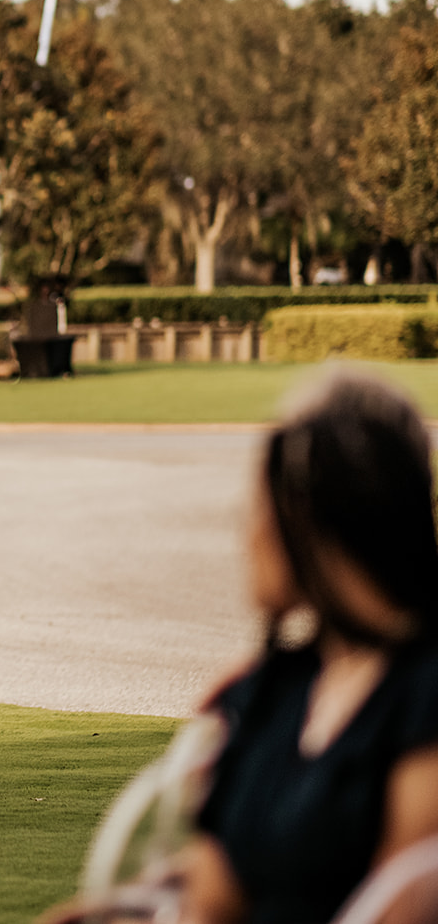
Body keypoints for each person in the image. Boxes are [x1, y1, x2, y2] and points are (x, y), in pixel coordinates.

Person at [176, 371, 438, 923]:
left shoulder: (422, 695)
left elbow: (405, 903)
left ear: (318, 520)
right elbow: (211, 898)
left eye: (261, 507)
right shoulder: (268, 691)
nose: (245, 532)